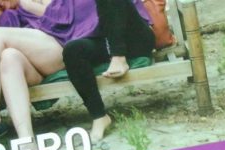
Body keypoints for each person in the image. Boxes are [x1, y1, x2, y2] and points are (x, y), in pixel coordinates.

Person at [0, 0, 100, 150]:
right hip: (35, 63)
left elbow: (61, 17)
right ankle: (27, 142)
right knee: (9, 57)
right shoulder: (9, 14)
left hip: (60, 44)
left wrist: (26, 3)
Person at [62, 0, 155, 142]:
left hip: (134, 37)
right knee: (72, 50)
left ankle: (118, 56)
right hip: (101, 40)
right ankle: (99, 116)